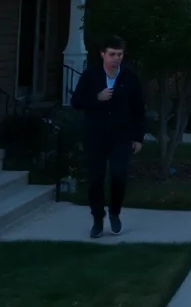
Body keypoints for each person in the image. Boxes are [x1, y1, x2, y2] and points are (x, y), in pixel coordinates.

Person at [70, 36, 146, 239]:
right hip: (96, 137)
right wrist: (97, 98)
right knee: (95, 179)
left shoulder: (129, 78)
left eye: (120, 55)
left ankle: (114, 213)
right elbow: (76, 101)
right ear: (103, 54)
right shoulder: (91, 76)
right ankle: (97, 219)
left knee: (119, 174)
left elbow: (139, 110)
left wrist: (138, 137)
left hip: (121, 137)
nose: (116, 59)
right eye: (112, 54)